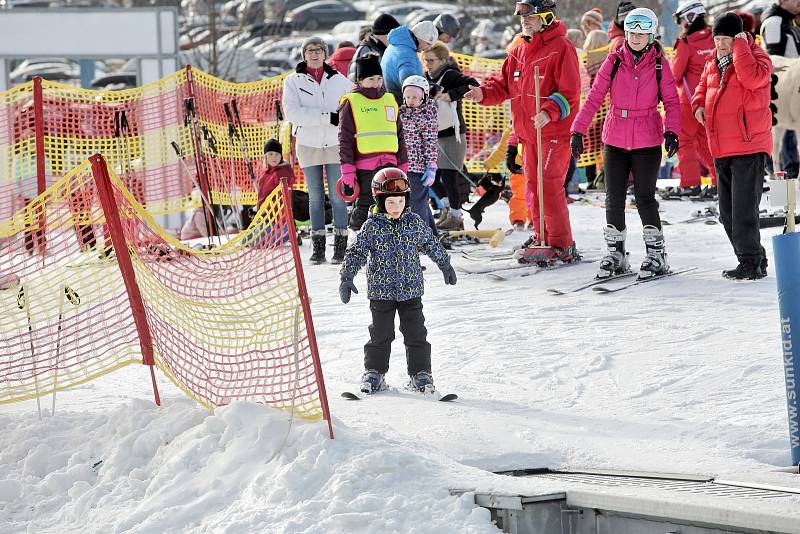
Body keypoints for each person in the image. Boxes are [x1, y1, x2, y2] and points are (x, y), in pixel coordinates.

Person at [465, 0, 581, 264]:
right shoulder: (518, 48)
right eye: (523, 18)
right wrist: (483, 93)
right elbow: (503, 84)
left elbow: (571, 92)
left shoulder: (561, 48)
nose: (525, 21)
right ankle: (542, 237)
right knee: (534, 187)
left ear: (547, 17)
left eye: (531, 17)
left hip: (552, 132)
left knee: (549, 186)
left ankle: (562, 243)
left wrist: (549, 111)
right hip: (528, 134)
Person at [570, 8, 681, 280]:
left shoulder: (659, 64)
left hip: (647, 138)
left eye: (642, 34)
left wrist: (672, 132)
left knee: (644, 198)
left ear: (650, 35)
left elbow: (672, 101)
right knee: (614, 197)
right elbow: (594, 97)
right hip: (615, 137)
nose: (636, 38)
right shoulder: (614, 60)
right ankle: (616, 252)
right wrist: (577, 131)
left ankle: (656, 253)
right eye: (632, 33)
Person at [338, 168, 457, 394]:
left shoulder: (413, 222)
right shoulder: (371, 226)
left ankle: (420, 374)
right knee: (380, 334)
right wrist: (347, 275)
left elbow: (430, 243)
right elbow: (357, 252)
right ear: (380, 201)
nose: (396, 206)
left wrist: (445, 264)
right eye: (390, 202)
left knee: (416, 333)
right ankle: (374, 372)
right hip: (380, 293)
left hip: (411, 290)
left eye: (400, 201)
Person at [692, 12, 772, 280]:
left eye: (726, 38)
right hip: (721, 146)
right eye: (718, 38)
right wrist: (697, 106)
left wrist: (740, 46)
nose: (721, 44)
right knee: (727, 213)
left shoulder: (757, 57)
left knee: (743, 211)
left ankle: (750, 262)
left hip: (749, 146)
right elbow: (701, 88)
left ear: (738, 37)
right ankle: (753, 257)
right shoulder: (712, 63)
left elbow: (752, 79)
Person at [282, 36, 352, 264]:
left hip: (334, 144)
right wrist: (327, 117)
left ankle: (340, 247)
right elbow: (293, 114)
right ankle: (318, 249)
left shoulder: (339, 80)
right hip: (308, 144)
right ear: (304, 55)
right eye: (310, 50)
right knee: (315, 198)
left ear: (325, 53)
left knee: (338, 197)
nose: (314, 54)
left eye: (319, 50)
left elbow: (350, 104)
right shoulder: (293, 82)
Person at [338, 53, 408, 232]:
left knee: (392, 204)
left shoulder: (389, 100)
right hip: (365, 166)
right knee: (366, 203)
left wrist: (403, 163)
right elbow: (344, 139)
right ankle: (356, 237)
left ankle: (387, 243)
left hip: (390, 164)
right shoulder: (351, 102)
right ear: (360, 81)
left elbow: (399, 133)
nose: (376, 83)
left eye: (379, 78)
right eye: (371, 79)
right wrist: (347, 170)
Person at [423, 41, 479, 231]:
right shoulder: (425, 77)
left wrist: (452, 95)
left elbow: (473, 85)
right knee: (431, 176)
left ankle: (456, 216)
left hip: (453, 134)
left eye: (432, 60)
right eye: (426, 60)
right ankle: (448, 207)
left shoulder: (450, 74)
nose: (428, 64)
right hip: (434, 134)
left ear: (443, 60)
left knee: (448, 176)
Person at [670, 0, 717, 196]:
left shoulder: (686, 43)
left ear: (689, 18)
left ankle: (690, 183)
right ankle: (718, 181)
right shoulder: (715, 38)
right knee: (706, 142)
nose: (681, 25)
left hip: (688, 103)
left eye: (681, 21)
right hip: (711, 101)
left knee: (684, 141)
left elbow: (675, 75)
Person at [761, 0, 800, 178]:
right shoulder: (774, 22)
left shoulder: (789, 20)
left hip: (793, 80)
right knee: (781, 129)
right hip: (782, 82)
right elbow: (773, 56)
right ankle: (784, 170)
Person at [399, 75, 438, 233]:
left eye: (415, 97)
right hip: (403, 164)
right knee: (418, 201)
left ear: (424, 96)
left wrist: (432, 165)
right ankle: (431, 235)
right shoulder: (402, 112)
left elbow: (430, 141)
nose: (411, 100)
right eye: (408, 97)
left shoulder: (427, 115)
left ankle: (419, 237)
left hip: (419, 166)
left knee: (416, 201)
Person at [381, 20, 438, 105]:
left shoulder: (397, 44)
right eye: (428, 44)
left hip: (389, 101)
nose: (428, 48)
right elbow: (411, 86)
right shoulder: (407, 55)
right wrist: (431, 91)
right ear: (420, 38)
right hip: (401, 106)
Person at [348, 13, 400, 81]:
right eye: (394, 35)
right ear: (386, 34)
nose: (396, 39)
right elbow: (359, 83)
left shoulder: (380, 48)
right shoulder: (367, 51)